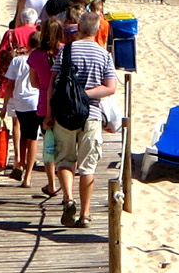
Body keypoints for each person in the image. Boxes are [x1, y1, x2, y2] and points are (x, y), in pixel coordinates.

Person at [50, 12, 118, 228]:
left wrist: (49, 114)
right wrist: (86, 94)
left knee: (65, 159)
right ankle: (85, 213)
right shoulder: (103, 55)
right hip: (91, 114)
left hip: (64, 113)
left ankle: (68, 199)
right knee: (88, 165)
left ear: (78, 28)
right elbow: (110, 87)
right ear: (98, 30)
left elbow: (53, 84)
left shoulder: (66, 50)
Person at [7, 28, 49, 187]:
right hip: (35, 101)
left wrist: (5, 105)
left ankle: (20, 163)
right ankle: (28, 176)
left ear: (28, 43)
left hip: (20, 103)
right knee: (33, 139)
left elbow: (10, 84)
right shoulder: (42, 59)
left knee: (24, 135)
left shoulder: (17, 60)